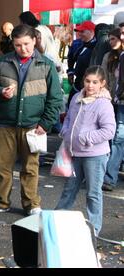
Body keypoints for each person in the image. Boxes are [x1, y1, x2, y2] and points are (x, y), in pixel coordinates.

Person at [0, 24, 63, 215]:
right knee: (3, 165)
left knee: (31, 168)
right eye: (17, 45)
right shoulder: (3, 62)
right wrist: (0, 92)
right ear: (13, 44)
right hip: (6, 123)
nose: (22, 49)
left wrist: (45, 124)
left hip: (33, 125)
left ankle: (32, 203)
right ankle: (0, 201)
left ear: (34, 40)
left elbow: (55, 98)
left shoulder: (46, 66)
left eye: (26, 44)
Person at [55, 66, 116, 235]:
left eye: (95, 82)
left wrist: (85, 137)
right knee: (69, 189)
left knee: (93, 193)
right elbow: (68, 119)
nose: (90, 86)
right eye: (88, 81)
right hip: (74, 153)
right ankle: (55, 221)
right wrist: (66, 133)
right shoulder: (76, 97)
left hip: (95, 156)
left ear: (102, 83)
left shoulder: (104, 104)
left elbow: (109, 130)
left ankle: (94, 230)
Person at [102, 22, 124, 191]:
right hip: (117, 102)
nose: (113, 41)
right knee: (117, 138)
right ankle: (109, 178)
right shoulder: (112, 56)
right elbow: (109, 80)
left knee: (118, 139)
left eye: (114, 38)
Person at [67, 21, 97, 106]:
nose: (79, 34)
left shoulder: (97, 46)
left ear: (91, 32)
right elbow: (70, 58)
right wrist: (70, 72)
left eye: (82, 31)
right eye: (79, 31)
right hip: (77, 83)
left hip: (89, 85)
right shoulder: (77, 43)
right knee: (71, 104)